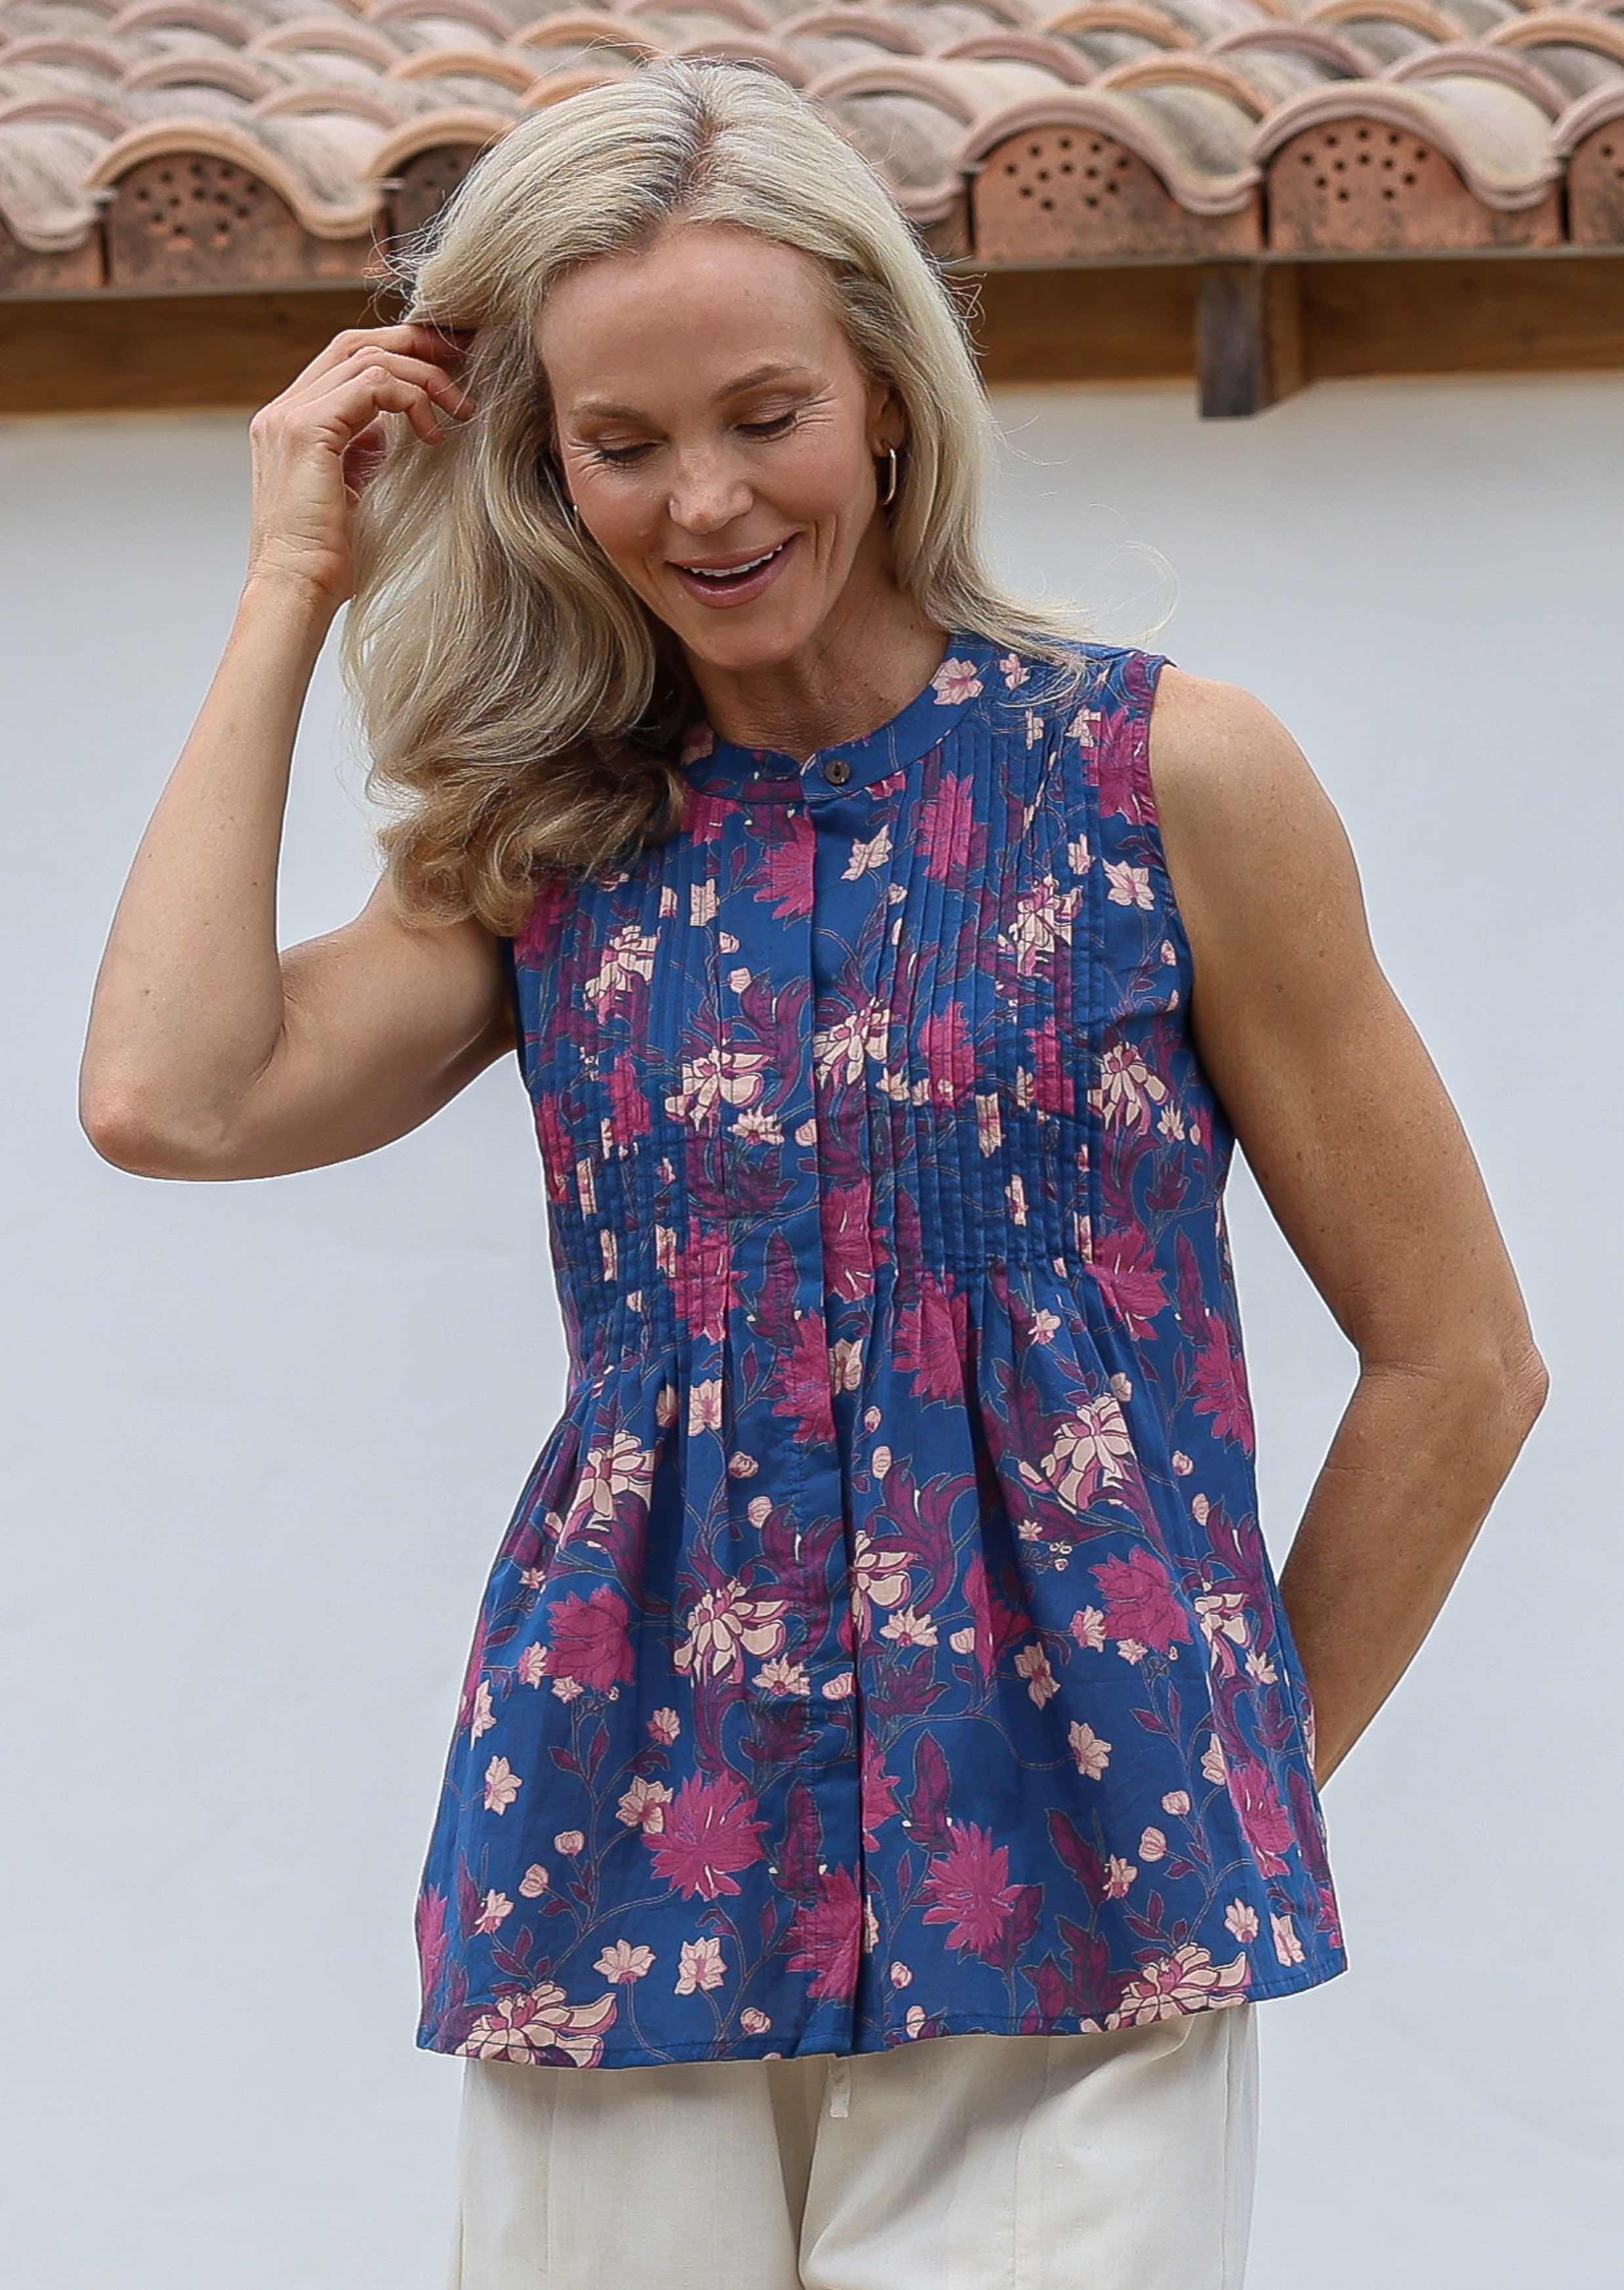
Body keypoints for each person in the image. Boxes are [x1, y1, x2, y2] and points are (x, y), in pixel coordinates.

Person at [79, 53, 1548, 2290]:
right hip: (620, 1864)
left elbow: (1458, 1360)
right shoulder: (552, 842)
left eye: (759, 413)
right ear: (548, 472)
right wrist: (293, 573)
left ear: (881, 390)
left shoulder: (1164, 777)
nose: (703, 500)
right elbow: (171, 1097)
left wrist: (1221, 1768)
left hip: (1076, 1903)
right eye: (622, 443)